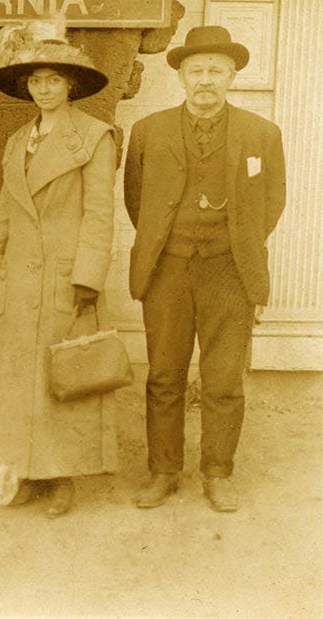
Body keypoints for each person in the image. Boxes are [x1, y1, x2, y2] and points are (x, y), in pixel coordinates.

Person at [124, 26, 286, 513]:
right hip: (168, 271)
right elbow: (137, 201)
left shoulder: (262, 133)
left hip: (229, 272)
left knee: (222, 381)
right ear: (181, 77)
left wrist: (236, 242)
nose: (206, 80)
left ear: (233, 76)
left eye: (216, 70)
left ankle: (218, 472)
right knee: (164, 376)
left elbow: (272, 202)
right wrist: (167, 242)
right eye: (196, 71)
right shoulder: (148, 131)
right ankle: (163, 471)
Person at [0, 18, 118, 518]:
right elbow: (6, 212)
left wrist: (87, 278)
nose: (44, 89)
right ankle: (27, 472)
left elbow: (100, 214)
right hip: (19, 276)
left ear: (70, 84)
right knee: (18, 383)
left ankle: (62, 479)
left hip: (63, 278)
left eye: (53, 79)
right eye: (35, 81)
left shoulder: (96, 138)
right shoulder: (18, 141)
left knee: (61, 380)